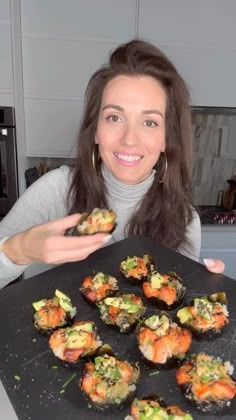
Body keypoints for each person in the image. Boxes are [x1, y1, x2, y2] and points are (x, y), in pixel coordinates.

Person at [0, 39, 224, 288]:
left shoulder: (184, 219)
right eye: (114, 117)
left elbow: (171, 308)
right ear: (95, 131)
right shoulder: (56, 190)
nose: (129, 139)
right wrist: (19, 249)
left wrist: (200, 297)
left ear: (166, 140)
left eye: (149, 122)